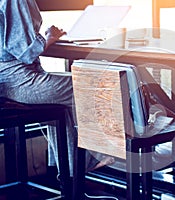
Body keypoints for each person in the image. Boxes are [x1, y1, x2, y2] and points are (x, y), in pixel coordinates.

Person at [0, 0, 114, 177]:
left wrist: (45, 38)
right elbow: (25, 53)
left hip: (11, 82)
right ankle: (115, 149)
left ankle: (71, 174)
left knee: (67, 97)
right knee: (93, 87)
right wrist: (49, 38)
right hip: (19, 82)